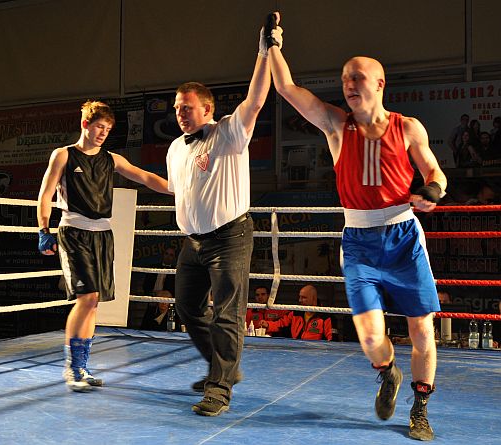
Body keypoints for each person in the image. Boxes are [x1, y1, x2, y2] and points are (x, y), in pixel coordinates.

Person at [266, 13, 447, 440]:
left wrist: (433, 191)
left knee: (422, 327)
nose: (349, 84)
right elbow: (286, 88)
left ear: (380, 84)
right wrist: (271, 45)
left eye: (358, 77)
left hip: (402, 236)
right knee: (369, 339)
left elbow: (436, 172)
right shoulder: (336, 125)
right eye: (345, 78)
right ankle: (388, 372)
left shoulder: (407, 127)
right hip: (359, 241)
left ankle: (420, 408)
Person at [166, 19, 272, 416]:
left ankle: (220, 388)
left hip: (230, 237)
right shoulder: (176, 148)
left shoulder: (228, 132)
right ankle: (221, 366)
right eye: (177, 108)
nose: (180, 113)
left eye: (187, 107)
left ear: (207, 109)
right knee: (187, 307)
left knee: (227, 311)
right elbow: (179, 189)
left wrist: (264, 52)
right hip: (192, 243)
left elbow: (255, 100)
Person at [37, 100, 171, 392]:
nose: (103, 133)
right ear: (85, 124)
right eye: (99, 126)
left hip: (102, 234)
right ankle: (72, 368)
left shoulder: (112, 159)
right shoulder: (63, 155)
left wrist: (179, 189)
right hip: (74, 231)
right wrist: (43, 230)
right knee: (86, 298)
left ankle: (81, 367)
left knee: (94, 301)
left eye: (108, 129)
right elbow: (45, 194)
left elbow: (144, 177)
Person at [260, 285, 333, 341]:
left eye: (304, 297)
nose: (300, 300)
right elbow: (281, 323)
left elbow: (332, 339)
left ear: (313, 298)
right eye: (300, 297)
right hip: (296, 349)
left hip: (316, 352)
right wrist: (268, 324)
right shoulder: (296, 313)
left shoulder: (325, 316)